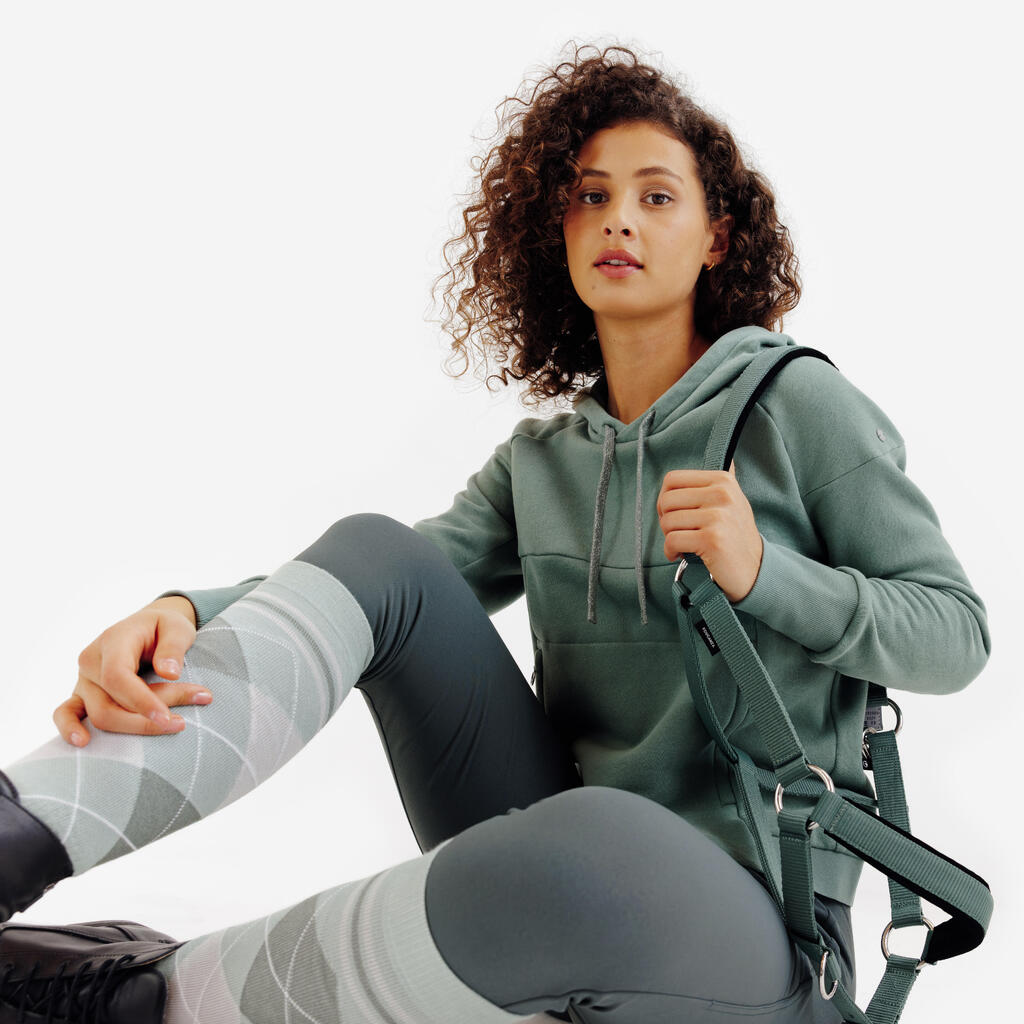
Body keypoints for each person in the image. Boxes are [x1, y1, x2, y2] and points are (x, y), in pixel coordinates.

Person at [0, 42, 990, 1024]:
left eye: (656, 196)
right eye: (591, 196)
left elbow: (955, 633)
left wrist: (765, 573)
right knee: (381, 553)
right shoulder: (543, 461)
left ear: (717, 239)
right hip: (555, 869)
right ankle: (17, 837)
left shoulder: (796, 405)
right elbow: (378, 590)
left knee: (600, 839)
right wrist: (186, 609)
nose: (619, 219)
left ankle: (139, 1000)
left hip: (751, 941)